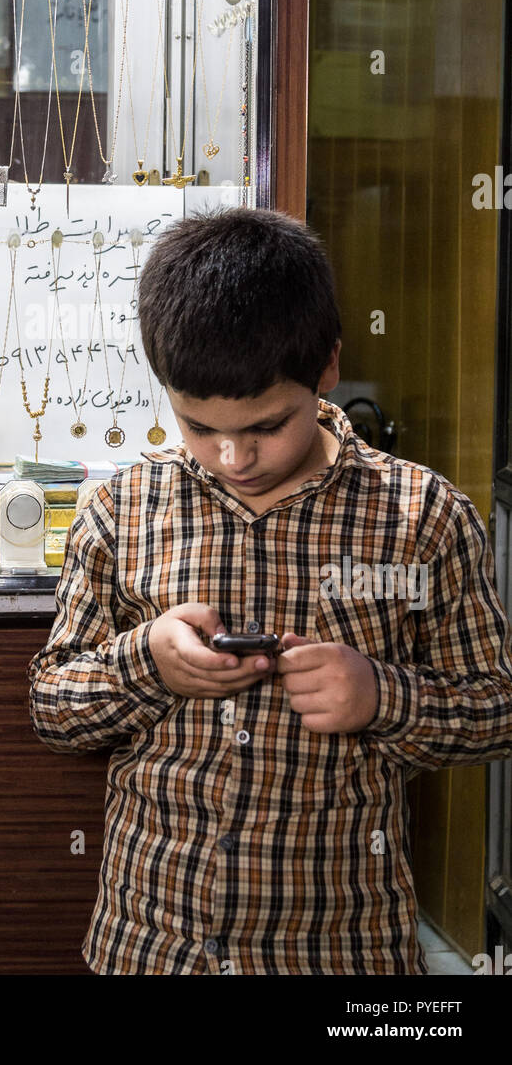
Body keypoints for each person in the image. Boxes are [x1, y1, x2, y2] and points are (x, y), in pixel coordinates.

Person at [27, 206, 512, 975]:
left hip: (339, 949)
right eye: (197, 426)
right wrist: (148, 660)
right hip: (150, 945)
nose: (233, 457)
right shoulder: (122, 511)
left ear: (327, 370)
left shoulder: (425, 517)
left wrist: (381, 697)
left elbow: (497, 710)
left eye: (265, 426)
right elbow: (54, 709)